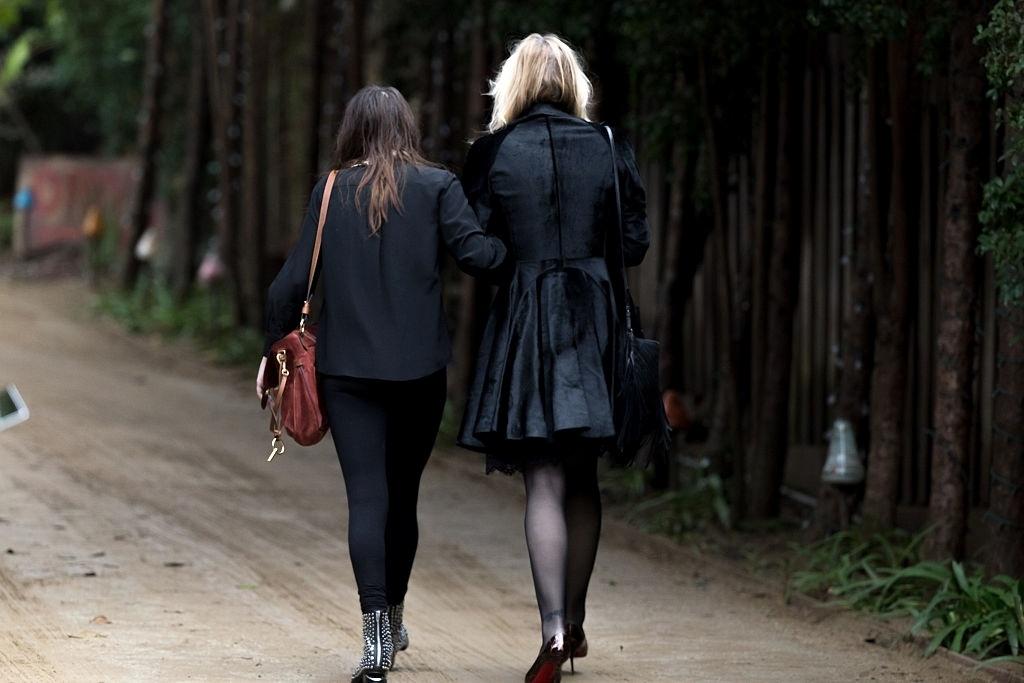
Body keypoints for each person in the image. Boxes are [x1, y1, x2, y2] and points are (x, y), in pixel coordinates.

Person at [258, 85, 507, 683]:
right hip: (421, 375)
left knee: (367, 499)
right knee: (404, 498)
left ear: (352, 129)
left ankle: (373, 641)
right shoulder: (438, 186)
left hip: (347, 377)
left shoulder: (330, 191)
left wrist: (272, 353)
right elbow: (482, 259)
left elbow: (286, 288)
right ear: (407, 127)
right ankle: (393, 617)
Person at [457, 33, 651, 683]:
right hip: (593, 316)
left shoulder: (492, 154)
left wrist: (518, 265)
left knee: (542, 477)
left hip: (527, 318)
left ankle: (551, 627)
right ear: (575, 83)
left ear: (511, 84)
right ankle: (577, 617)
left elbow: (476, 246)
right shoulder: (607, 146)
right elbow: (635, 244)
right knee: (584, 478)